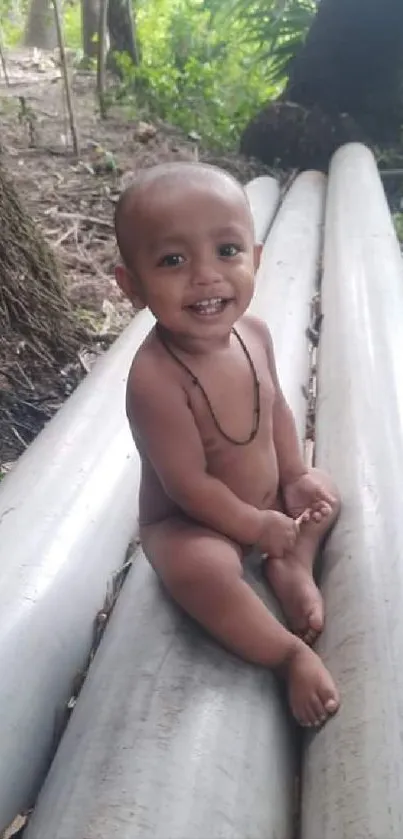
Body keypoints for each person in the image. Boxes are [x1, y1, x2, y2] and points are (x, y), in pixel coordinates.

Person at [114, 161, 341, 727]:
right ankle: (287, 653)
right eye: (173, 260)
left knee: (323, 493)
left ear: (256, 259)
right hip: (190, 524)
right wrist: (252, 526)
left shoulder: (255, 334)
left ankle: (292, 565)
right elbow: (187, 486)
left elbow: (278, 412)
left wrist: (293, 476)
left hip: (263, 505)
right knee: (205, 573)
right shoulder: (154, 380)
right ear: (131, 286)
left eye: (227, 251)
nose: (206, 276)